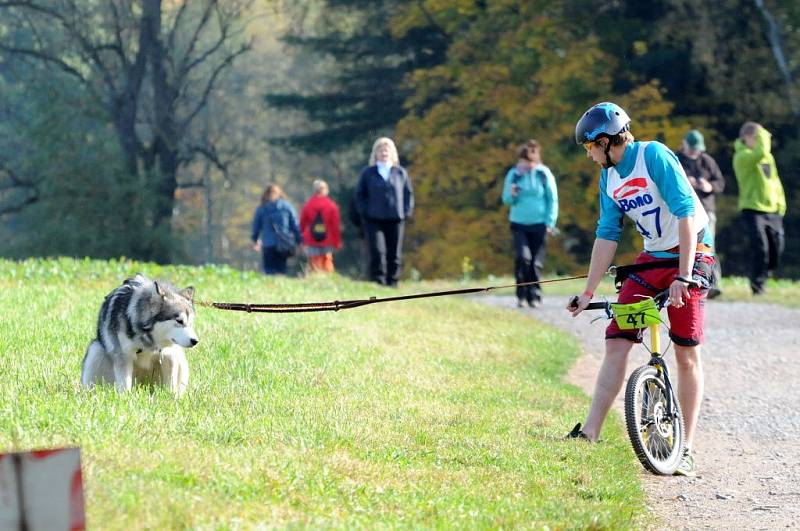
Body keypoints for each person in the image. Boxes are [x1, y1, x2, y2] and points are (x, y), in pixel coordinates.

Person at [566, 102, 716, 478]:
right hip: (651, 259)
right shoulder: (609, 177)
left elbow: (685, 211)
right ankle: (589, 433)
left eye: (589, 147)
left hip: (692, 253)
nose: (588, 155)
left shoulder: (653, 156)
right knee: (617, 340)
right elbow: (607, 233)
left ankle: (685, 449)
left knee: (685, 353)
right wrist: (587, 292)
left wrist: (684, 275)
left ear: (604, 140)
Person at [501, 140, 559, 308]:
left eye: (528, 162)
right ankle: (521, 295)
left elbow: (552, 199)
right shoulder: (514, 174)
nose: (525, 165)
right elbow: (506, 200)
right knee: (522, 258)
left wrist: (550, 222)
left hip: (540, 224)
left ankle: (534, 295)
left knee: (535, 263)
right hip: (519, 224)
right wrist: (511, 194)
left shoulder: (543, 174)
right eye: (523, 162)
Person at [732, 122, 786, 296]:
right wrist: (763, 135)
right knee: (760, 247)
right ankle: (757, 286)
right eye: (759, 137)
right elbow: (761, 152)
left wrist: (780, 203)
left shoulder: (766, 158)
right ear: (747, 138)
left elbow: (774, 181)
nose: (763, 141)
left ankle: (765, 274)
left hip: (772, 209)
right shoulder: (742, 156)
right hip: (752, 209)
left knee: (777, 247)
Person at [355, 137, 414, 286]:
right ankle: (378, 280)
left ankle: (393, 281)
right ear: (375, 153)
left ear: (392, 153)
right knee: (378, 252)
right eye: (381, 150)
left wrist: (406, 212)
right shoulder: (368, 173)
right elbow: (360, 195)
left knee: (394, 253)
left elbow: (408, 194)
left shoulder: (400, 173)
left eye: (387, 150)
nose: (384, 153)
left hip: (395, 218)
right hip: (374, 219)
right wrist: (365, 212)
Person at [676, 129, 725, 298]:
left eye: (697, 149)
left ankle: (713, 283)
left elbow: (720, 182)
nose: (695, 152)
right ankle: (683, 280)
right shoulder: (676, 160)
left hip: (706, 210)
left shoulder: (707, 161)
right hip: (682, 212)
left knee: (708, 247)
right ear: (684, 144)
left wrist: (709, 186)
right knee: (681, 246)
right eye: (692, 148)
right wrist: (685, 182)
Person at [251, 183, 301, 275]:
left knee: (269, 270)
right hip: (283, 244)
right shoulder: (287, 207)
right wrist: (299, 240)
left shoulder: (261, 208)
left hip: (268, 244)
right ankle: (280, 285)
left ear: (265, 194)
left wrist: (255, 239)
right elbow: (295, 225)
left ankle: (271, 287)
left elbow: (256, 226)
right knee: (281, 269)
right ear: (279, 193)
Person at [299, 179, 342, 273]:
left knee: (314, 263)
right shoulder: (331, 206)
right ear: (326, 190)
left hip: (311, 239)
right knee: (327, 262)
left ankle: (315, 280)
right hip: (328, 239)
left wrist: (301, 240)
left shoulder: (308, 205)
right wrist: (337, 242)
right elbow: (335, 226)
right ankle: (327, 281)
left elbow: (302, 224)